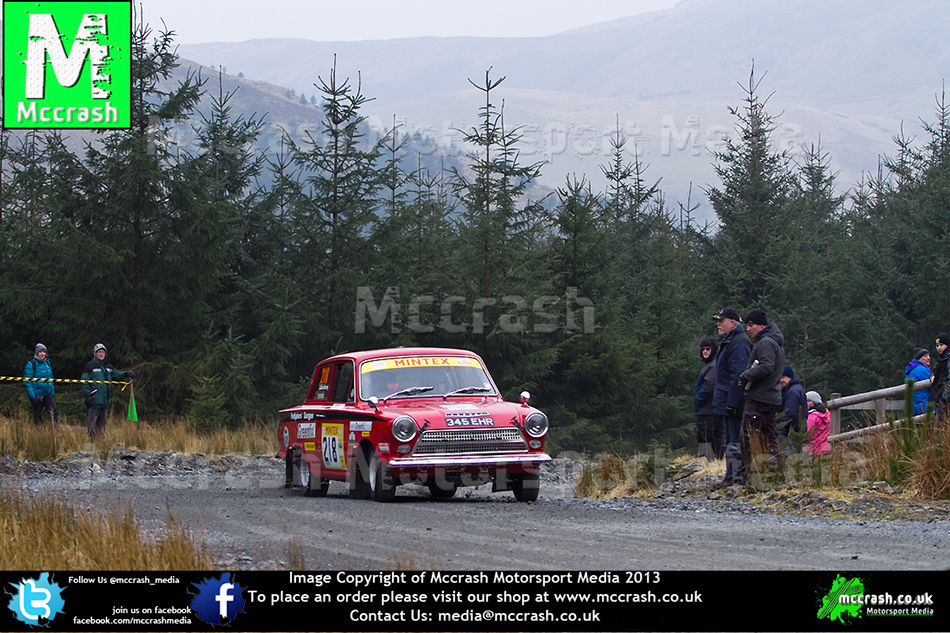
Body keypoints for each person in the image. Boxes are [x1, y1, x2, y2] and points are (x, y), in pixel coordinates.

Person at [738, 308, 786, 477]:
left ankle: (751, 476)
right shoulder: (775, 342)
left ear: (761, 325)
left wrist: (745, 376)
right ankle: (777, 474)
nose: (748, 329)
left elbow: (766, 366)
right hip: (771, 398)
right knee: (769, 437)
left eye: (751, 325)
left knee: (748, 437)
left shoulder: (765, 342)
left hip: (759, 398)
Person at [711, 307, 751, 486]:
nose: (718, 324)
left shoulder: (739, 343)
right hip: (727, 398)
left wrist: (732, 402)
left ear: (732, 322)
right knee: (729, 439)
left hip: (733, 400)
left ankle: (737, 477)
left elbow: (738, 376)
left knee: (735, 439)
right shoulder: (731, 341)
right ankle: (731, 475)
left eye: (722, 321)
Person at [82, 343, 134, 440]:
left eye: (103, 352)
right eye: (99, 352)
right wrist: (87, 395)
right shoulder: (90, 366)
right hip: (94, 401)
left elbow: (117, 375)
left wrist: (126, 374)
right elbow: (84, 382)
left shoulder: (108, 366)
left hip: (105, 401)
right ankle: (91, 445)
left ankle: (101, 444)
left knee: (102, 426)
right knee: (91, 425)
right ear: (95, 354)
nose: (101, 354)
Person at [694, 337, 723, 460]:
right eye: (703, 349)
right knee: (713, 438)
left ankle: (707, 463)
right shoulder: (710, 365)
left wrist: (698, 399)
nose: (705, 351)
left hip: (708, 410)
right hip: (710, 409)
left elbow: (709, 386)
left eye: (708, 349)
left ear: (713, 350)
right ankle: (716, 461)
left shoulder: (712, 366)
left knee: (705, 438)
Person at [24, 343, 58, 425]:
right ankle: (38, 434)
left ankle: (53, 431)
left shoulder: (47, 364)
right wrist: (32, 396)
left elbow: (50, 379)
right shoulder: (31, 364)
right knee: (37, 418)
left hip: (47, 393)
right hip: (37, 395)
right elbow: (27, 381)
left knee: (53, 413)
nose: (42, 353)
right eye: (40, 352)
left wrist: (51, 392)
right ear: (37, 353)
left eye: (44, 352)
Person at [777, 364, 806, 443]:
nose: (781, 380)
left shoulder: (793, 392)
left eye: (783, 377)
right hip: (794, 432)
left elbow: (789, 413)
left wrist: (779, 427)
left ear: (790, 377)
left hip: (790, 434)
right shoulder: (795, 389)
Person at [929, 333, 950, 420]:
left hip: (945, 400)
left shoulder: (948, 358)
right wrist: (932, 376)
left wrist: (944, 398)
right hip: (941, 398)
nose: (939, 348)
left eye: (941, 345)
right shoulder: (942, 358)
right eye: (937, 345)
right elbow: (934, 370)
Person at [904, 348, 931, 415]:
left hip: (914, 406)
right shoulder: (922, 370)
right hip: (924, 405)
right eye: (925, 356)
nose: (929, 358)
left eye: (929, 356)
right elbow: (935, 383)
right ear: (919, 359)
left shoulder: (911, 371)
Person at [804, 390, 831, 456]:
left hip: (813, 449)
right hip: (825, 447)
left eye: (808, 401)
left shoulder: (812, 417)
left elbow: (808, 434)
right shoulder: (826, 413)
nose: (805, 403)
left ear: (813, 403)